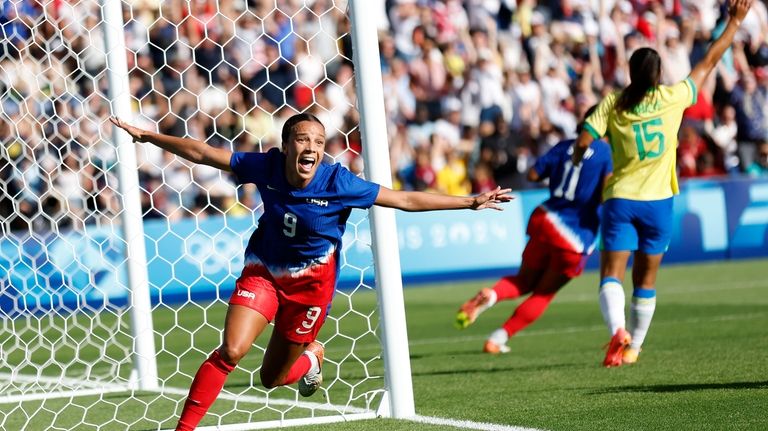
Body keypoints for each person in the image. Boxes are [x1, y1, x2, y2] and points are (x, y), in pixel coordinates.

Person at [110, 113, 512, 430]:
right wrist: (149, 137)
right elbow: (201, 153)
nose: (312, 148)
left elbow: (404, 198)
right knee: (232, 350)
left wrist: (469, 201)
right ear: (286, 146)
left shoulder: (338, 181)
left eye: (319, 143)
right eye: (303, 139)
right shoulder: (266, 167)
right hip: (263, 272)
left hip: (311, 291)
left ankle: (311, 359)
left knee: (272, 379)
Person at [571, 0, 753, 367]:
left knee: (611, 274)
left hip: (621, 199)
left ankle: (616, 333)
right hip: (659, 204)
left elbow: (582, 142)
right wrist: (733, 23)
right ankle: (634, 347)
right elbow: (708, 62)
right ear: (658, 75)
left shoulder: (614, 104)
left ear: (630, 72)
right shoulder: (672, 98)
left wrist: (579, 158)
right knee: (647, 279)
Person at [455, 106, 613, 354]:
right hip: (576, 234)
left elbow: (533, 173)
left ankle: (491, 294)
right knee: (544, 293)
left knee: (524, 280)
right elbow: (607, 193)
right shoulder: (607, 153)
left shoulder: (563, 146)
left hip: (546, 219)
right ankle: (497, 339)